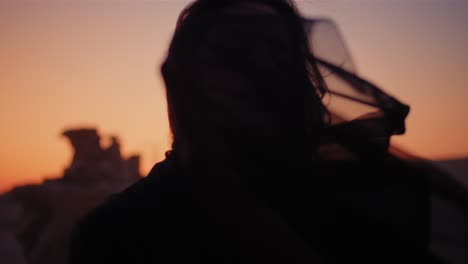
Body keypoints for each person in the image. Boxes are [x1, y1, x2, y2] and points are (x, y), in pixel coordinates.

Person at [69, 0, 433, 263]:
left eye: (278, 54)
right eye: (234, 53)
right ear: (188, 81)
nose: (260, 72)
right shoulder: (119, 234)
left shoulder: (377, 204)